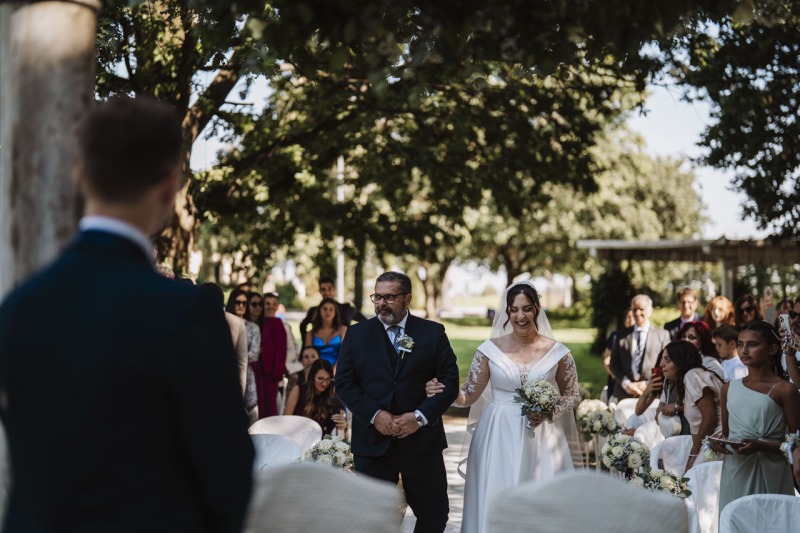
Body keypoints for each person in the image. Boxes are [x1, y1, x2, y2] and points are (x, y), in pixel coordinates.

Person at [0, 96, 253, 531]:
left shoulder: (20, 307)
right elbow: (229, 479)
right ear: (169, 186)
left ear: (80, 175)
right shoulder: (186, 313)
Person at [427, 281, 580, 533]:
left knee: (541, 497)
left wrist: (550, 411)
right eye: (514, 309)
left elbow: (572, 394)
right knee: (497, 492)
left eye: (527, 309)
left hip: (543, 437)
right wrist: (444, 391)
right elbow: (469, 395)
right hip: (497, 435)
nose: (521, 316)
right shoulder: (489, 351)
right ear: (507, 313)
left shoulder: (558, 352)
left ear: (538, 309)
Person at [335, 271, 459, 533]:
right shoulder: (357, 335)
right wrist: (375, 415)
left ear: (408, 298)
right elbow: (344, 383)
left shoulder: (432, 333)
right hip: (372, 444)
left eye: (389, 297)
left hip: (422, 443)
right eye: (377, 297)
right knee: (372, 520)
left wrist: (419, 417)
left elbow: (449, 382)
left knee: (435, 515)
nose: (381, 303)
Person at [715, 322, 800, 512]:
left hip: (771, 470)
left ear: (772, 349)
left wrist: (762, 445)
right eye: (741, 344)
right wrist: (719, 442)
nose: (744, 350)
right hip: (736, 471)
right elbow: (728, 435)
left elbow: (797, 444)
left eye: (752, 344)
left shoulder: (785, 389)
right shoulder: (727, 389)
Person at [637, 341, 722, 472]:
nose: (661, 365)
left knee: (693, 483)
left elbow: (710, 418)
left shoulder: (693, 376)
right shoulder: (685, 379)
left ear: (680, 360)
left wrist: (694, 452)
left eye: (667, 360)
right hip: (707, 443)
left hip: (716, 442)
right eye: (662, 359)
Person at [609, 294, 671, 400]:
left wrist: (648, 383)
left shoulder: (662, 335)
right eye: (634, 309)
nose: (637, 313)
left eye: (641, 309)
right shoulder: (621, 335)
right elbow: (614, 364)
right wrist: (626, 384)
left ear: (650, 311)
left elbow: (667, 364)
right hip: (625, 393)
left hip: (652, 394)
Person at [284, 359, 347, 436]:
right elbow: (285, 420)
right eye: (320, 379)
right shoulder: (299, 390)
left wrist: (343, 426)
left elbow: (340, 434)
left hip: (320, 442)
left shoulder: (333, 397)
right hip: (296, 436)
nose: (324, 383)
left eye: (328, 379)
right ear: (312, 377)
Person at [226, 289, 262, 422]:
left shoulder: (253, 327)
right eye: (238, 302)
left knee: (251, 414)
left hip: (247, 373)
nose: (241, 306)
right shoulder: (223, 324)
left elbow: (254, 354)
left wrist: (236, 356)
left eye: (244, 303)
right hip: (226, 373)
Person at [299, 275, 367, 339]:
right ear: (320, 291)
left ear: (334, 289)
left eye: (329, 289)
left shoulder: (346, 309)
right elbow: (302, 326)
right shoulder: (313, 311)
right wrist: (308, 345)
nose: (327, 292)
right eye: (323, 289)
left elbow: (366, 323)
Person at [602, 308, 634, 402]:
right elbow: (607, 360)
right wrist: (617, 377)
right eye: (628, 317)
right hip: (616, 379)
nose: (631, 320)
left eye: (632, 317)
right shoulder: (616, 336)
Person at [304, 297, 348, 366]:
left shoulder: (343, 330)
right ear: (319, 311)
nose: (328, 312)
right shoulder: (310, 334)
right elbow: (307, 357)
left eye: (331, 309)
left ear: (335, 312)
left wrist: (334, 371)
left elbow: (345, 354)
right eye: (325, 309)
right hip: (316, 371)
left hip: (340, 370)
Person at [264, 291, 299, 372]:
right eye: (267, 304)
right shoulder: (257, 326)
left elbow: (292, 351)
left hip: (277, 370)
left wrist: (276, 362)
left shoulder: (285, 327)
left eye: (274, 304)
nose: (271, 307)